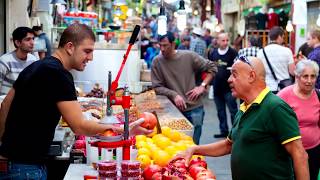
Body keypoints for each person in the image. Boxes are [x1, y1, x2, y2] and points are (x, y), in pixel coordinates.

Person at [0, 24, 152, 179]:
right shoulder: (58, 74)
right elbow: (79, 126)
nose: (91, 58)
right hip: (26, 168)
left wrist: (4, 147)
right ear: (70, 47)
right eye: (87, 51)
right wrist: (123, 130)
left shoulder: (36, 66)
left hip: (10, 162)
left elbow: (5, 104)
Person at [175, 56, 309, 180]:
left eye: (234, 74)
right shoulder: (244, 108)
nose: (229, 80)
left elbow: (300, 155)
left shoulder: (275, 107)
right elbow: (229, 145)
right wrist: (194, 149)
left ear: (251, 76)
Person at [151, 31, 217, 145]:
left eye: (165, 45)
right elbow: (156, 87)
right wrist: (174, 94)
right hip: (172, 111)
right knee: (174, 147)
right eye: (160, 45)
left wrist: (202, 86)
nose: (162, 49)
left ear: (173, 44)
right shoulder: (157, 61)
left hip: (195, 108)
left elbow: (212, 67)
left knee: (194, 146)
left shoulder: (188, 56)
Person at [278, 59, 320, 180]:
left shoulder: (318, 95)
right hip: (289, 153)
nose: (309, 81)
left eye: (313, 76)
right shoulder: (283, 96)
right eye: (305, 76)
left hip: (314, 150)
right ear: (297, 76)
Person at [209, 33, 238, 138]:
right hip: (217, 88)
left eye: (227, 40)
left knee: (233, 111)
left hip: (229, 89)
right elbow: (210, 68)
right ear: (217, 41)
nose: (225, 43)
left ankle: (236, 132)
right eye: (223, 40)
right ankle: (223, 131)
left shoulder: (233, 53)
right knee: (220, 112)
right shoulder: (213, 53)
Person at [0, 27, 37, 96]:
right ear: (17, 43)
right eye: (28, 39)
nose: (32, 43)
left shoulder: (33, 60)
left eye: (33, 39)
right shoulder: (5, 61)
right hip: (6, 103)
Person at [257, 26, 295, 93]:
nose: (283, 40)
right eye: (283, 37)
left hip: (267, 88)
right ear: (279, 36)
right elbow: (292, 71)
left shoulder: (261, 52)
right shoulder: (287, 51)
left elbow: (259, 72)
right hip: (284, 88)